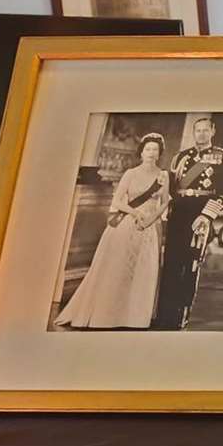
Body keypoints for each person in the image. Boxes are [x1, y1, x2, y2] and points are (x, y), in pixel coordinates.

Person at [53, 133, 170, 329]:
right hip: (128, 223)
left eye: (155, 150)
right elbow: (116, 201)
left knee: (143, 271)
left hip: (150, 227)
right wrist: (135, 213)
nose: (151, 153)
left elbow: (165, 201)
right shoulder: (130, 173)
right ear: (141, 152)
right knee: (118, 268)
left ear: (159, 154)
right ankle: (110, 314)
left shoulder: (163, 175)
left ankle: (134, 317)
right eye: (147, 149)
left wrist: (151, 219)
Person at [153, 116, 223, 330]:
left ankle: (181, 315)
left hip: (200, 216)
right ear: (194, 133)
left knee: (191, 265)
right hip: (178, 213)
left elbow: (222, 194)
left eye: (206, 130)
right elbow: (170, 188)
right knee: (170, 264)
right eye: (198, 130)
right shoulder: (181, 157)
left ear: (213, 131)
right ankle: (164, 315)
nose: (202, 134)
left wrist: (206, 216)